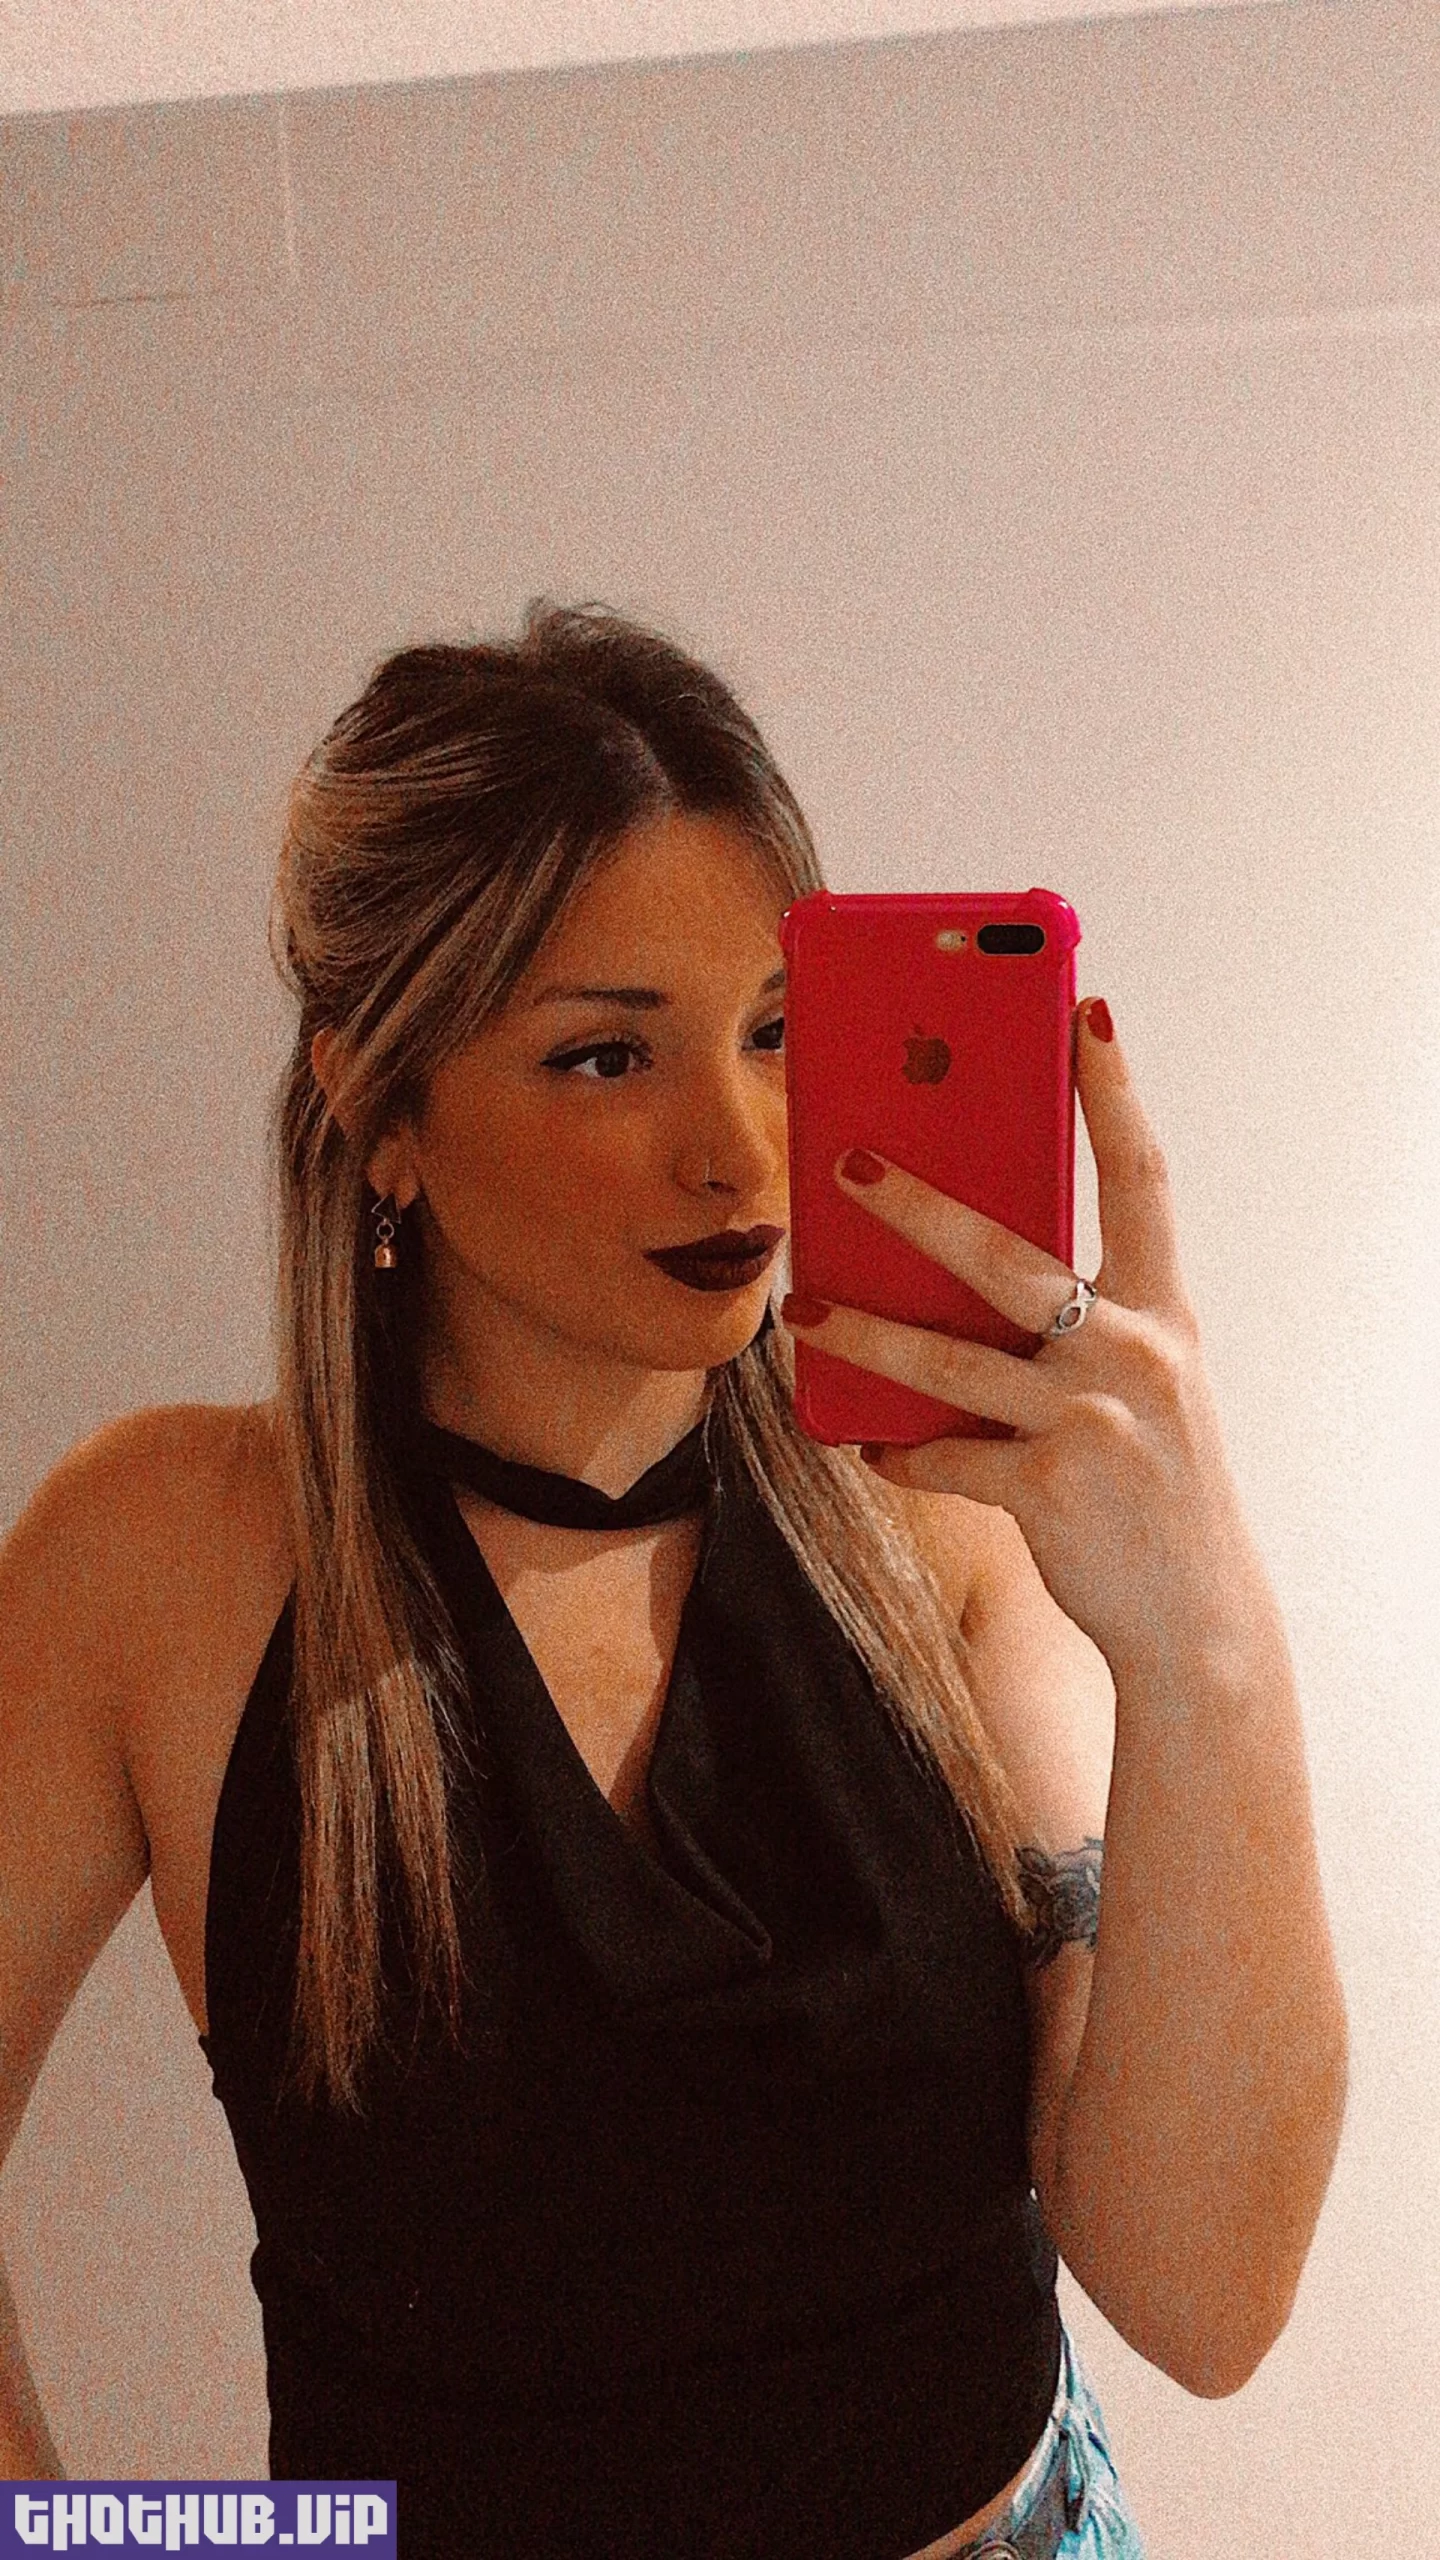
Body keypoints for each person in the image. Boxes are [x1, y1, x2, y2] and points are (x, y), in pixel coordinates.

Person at [0, 603, 1347, 2557]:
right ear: (380, 1109)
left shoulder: (934, 1519)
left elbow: (1206, 2298)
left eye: (777, 1031)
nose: (742, 1149)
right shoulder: (164, 1559)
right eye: (606, 1053)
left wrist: (1204, 1637)